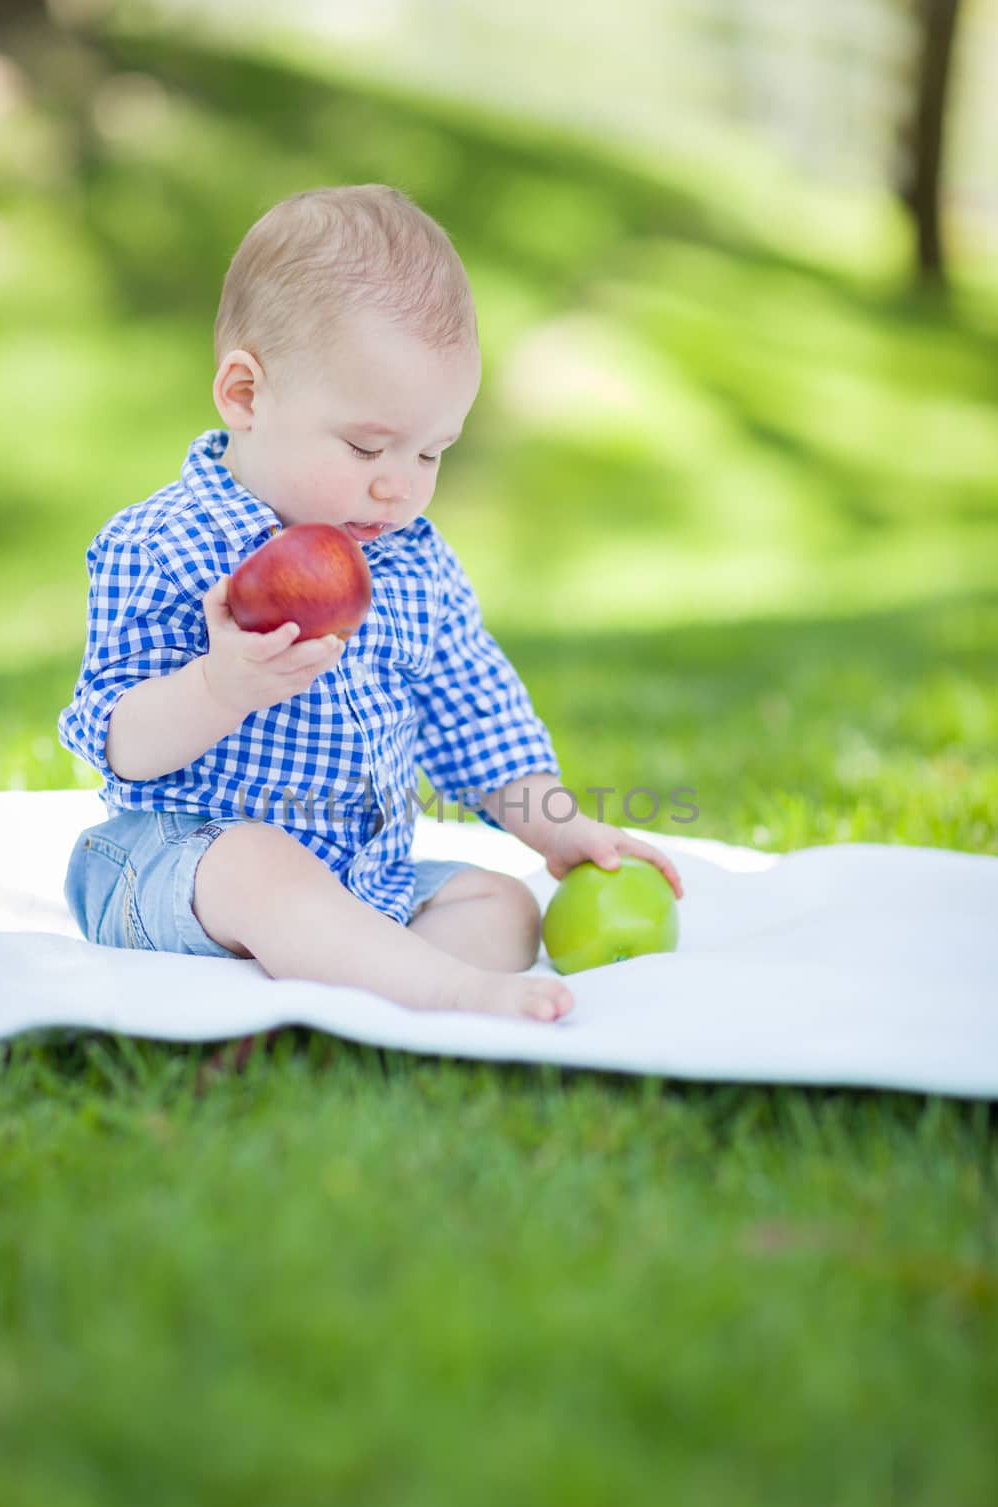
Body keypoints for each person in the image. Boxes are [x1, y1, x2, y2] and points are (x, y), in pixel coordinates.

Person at [59, 184, 683, 1023]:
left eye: (431, 453)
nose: (399, 488)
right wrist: (220, 689)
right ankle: (438, 995)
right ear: (244, 396)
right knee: (258, 862)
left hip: (362, 881)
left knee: (502, 906)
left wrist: (557, 826)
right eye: (366, 446)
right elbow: (118, 742)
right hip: (177, 867)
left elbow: (476, 715)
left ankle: (361, 992)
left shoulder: (413, 566)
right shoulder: (164, 543)